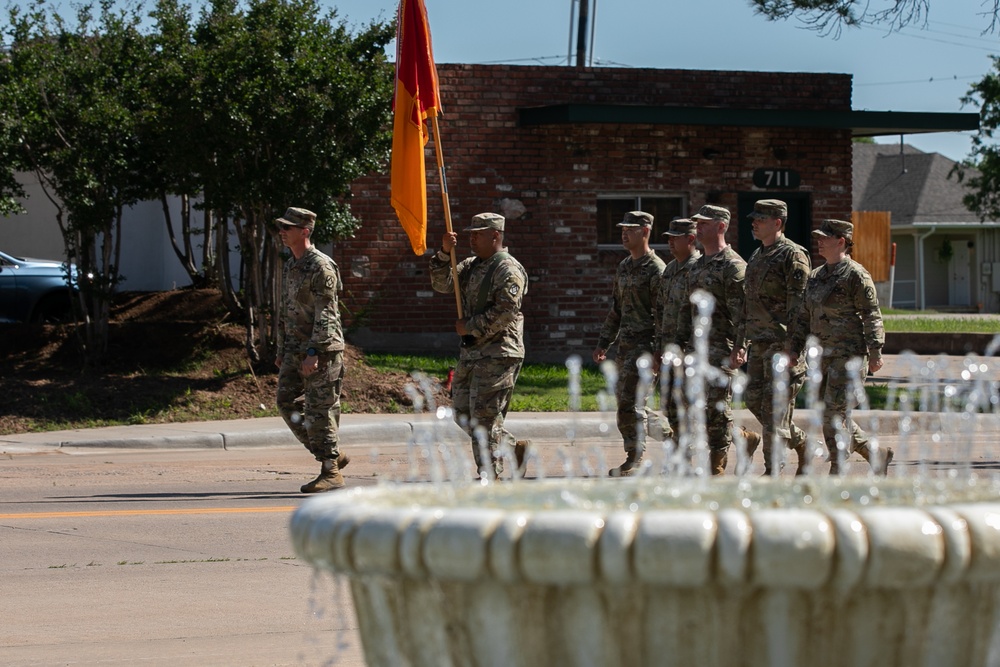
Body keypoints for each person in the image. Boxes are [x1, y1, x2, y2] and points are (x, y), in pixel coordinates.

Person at [430, 212, 530, 480]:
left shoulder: (508, 269)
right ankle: (511, 447)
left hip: (499, 352)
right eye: (471, 232)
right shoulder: (471, 265)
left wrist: (471, 325)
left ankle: (490, 475)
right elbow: (442, 285)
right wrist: (443, 253)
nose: (471, 237)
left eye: (479, 233)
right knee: (463, 412)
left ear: (495, 235)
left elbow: (507, 311)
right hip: (473, 351)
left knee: (485, 418)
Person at [789, 219, 893, 475]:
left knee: (834, 415)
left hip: (848, 358)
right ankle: (875, 453)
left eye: (825, 238)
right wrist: (794, 347)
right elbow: (804, 316)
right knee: (830, 412)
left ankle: (838, 468)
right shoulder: (816, 276)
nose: (820, 242)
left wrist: (875, 351)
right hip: (821, 358)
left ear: (841, 242)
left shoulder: (855, 275)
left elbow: (871, 315)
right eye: (819, 237)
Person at [731, 199, 811, 475]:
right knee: (754, 400)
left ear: (777, 223)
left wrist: (794, 348)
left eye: (760, 219)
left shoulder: (793, 256)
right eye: (753, 218)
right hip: (759, 345)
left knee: (774, 411)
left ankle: (773, 470)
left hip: (782, 346)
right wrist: (740, 343)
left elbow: (800, 307)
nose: (753, 223)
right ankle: (803, 444)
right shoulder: (757, 256)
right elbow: (747, 305)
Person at [274, 207, 350, 493]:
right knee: (286, 402)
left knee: (319, 409)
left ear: (305, 231)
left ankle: (331, 470)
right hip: (295, 348)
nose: (283, 232)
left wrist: (313, 353)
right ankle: (330, 454)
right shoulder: (292, 265)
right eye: (282, 227)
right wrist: (284, 348)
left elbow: (326, 314)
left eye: (288, 228)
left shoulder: (321, 266)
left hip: (322, 349)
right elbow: (289, 311)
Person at [676, 204, 754, 475]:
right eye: (697, 222)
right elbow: (688, 310)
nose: (698, 227)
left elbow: (742, 313)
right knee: (690, 405)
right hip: (695, 348)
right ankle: (743, 438)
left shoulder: (733, 266)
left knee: (717, 408)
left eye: (705, 223)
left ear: (721, 226)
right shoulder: (696, 267)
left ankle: (717, 465)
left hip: (723, 347)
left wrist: (741, 347)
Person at [594, 211, 667, 477]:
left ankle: (634, 459)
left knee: (632, 403)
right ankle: (679, 440)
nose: (624, 234)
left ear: (646, 232)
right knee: (628, 403)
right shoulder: (624, 266)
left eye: (631, 230)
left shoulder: (656, 269)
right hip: (625, 346)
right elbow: (617, 308)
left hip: (646, 347)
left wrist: (659, 350)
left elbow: (662, 314)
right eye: (623, 229)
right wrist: (604, 342)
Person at [653, 217, 702, 440]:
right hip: (669, 350)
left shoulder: (699, 269)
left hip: (690, 351)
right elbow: (661, 312)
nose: (670, 243)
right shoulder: (670, 269)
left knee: (691, 406)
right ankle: (679, 454)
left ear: (691, 239)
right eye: (669, 238)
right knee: (670, 405)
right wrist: (658, 348)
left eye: (675, 238)